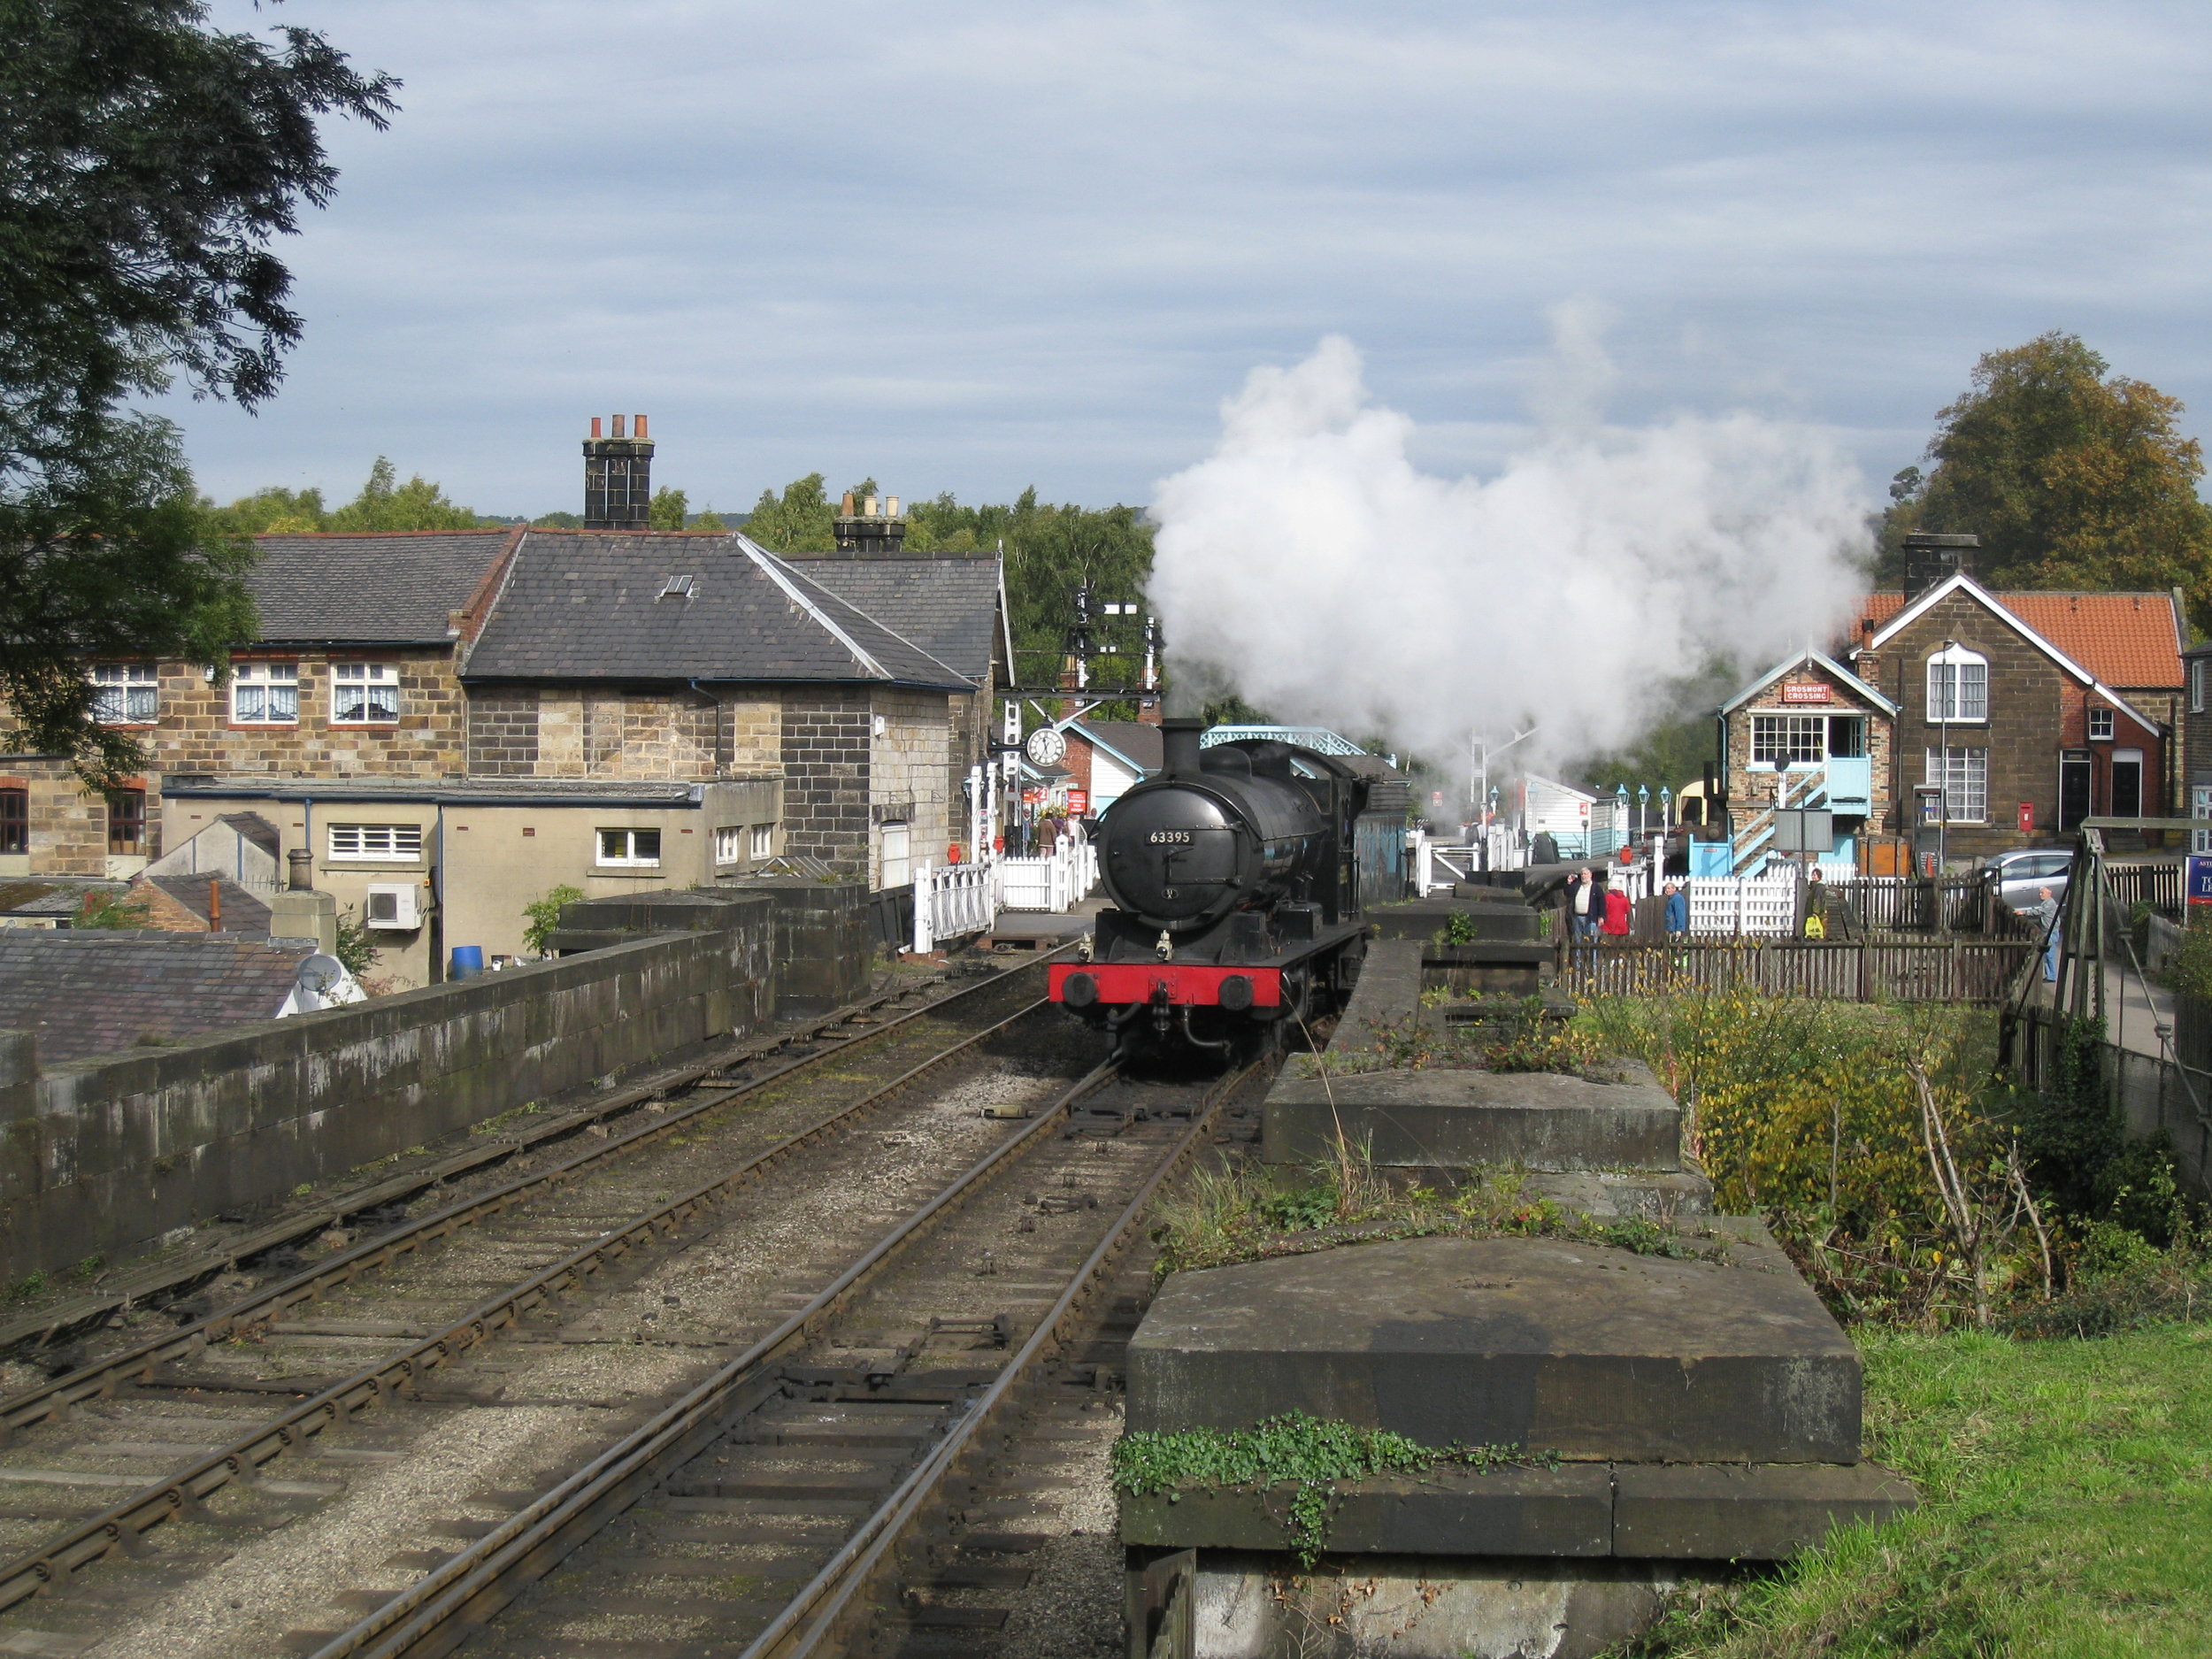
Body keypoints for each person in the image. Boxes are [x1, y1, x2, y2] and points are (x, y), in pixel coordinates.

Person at [2022, 884, 2062, 982]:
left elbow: (2041, 912)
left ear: (2049, 893)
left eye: (2042, 892)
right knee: (2047, 954)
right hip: (2047, 930)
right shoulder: (2045, 903)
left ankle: (2051, 976)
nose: (2040, 895)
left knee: (2049, 954)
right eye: (2040, 893)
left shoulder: (2050, 903)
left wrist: (2025, 913)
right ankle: (2049, 975)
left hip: (2051, 931)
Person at [1569, 868, 1599, 940]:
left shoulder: (1596, 887)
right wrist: (1569, 883)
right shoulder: (1577, 886)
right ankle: (1578, 951)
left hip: (1591, 918)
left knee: (1592, 939)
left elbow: (1601, 902)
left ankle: (1593, 951)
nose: (1583, 876)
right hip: (1578, 917)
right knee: (1577, 939)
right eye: (1582, 874)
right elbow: (1568, 893)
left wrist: (1601, 917)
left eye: (1585, 874)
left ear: (1590, 875)